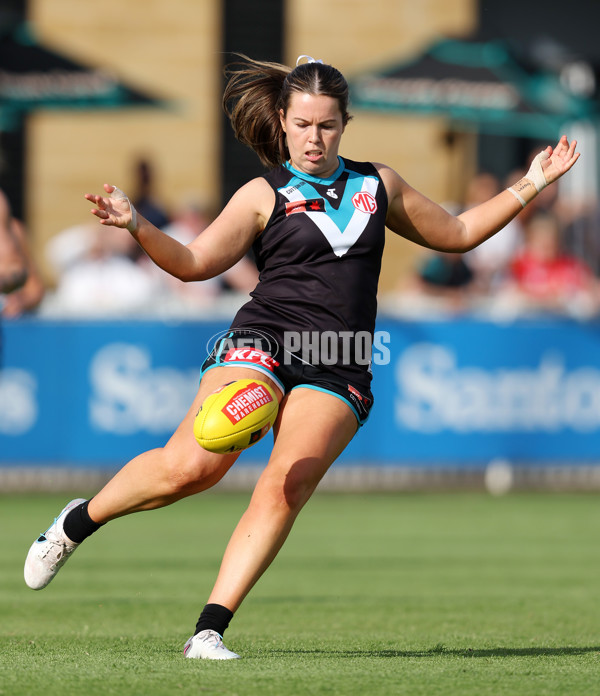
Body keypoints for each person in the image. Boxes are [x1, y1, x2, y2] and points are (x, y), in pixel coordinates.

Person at [23, 54, 580, 660]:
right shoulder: (264, 193)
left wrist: (533, 182)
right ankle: (79, 522)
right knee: (194, 466)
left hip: (339, 359)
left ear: (345, 123)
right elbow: (192, 264)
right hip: (262, 341)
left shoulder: (378, 185)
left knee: (285, 486)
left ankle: (207, 631)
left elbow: (458, 233)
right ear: (283, 121)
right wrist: (137, 226)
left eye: (328, 125)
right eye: (304, 124)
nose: (315, 138)